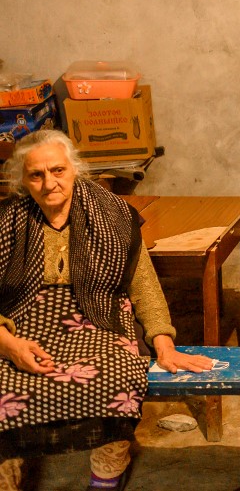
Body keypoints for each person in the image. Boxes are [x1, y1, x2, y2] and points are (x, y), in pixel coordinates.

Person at [0, 130, 211, 491]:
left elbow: (143, 284)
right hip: (19, 326)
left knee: (116, 379)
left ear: (74, 170)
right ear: (23, 179)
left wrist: (163, 342)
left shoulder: (112, 216)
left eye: (58, 170)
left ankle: (104, 479)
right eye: (36, 174)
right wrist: (10, 346)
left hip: (98, 320)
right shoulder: (6, 221)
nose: (49, 183)